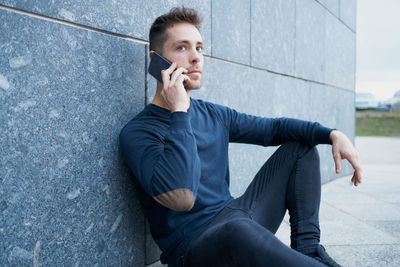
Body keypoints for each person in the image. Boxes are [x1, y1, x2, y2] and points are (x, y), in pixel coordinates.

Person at [119, 7, 362, 267]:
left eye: (199, 48)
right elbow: (182, 198)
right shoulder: (138, 132)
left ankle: (309, 250)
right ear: (156, 61)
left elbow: (273, 129)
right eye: (182, 48)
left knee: (300, 148)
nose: (195, 58)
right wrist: (179, 111)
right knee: (237, 230)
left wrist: (332, 134)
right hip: (194, 247)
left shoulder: (214, 115)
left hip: (237, 218)